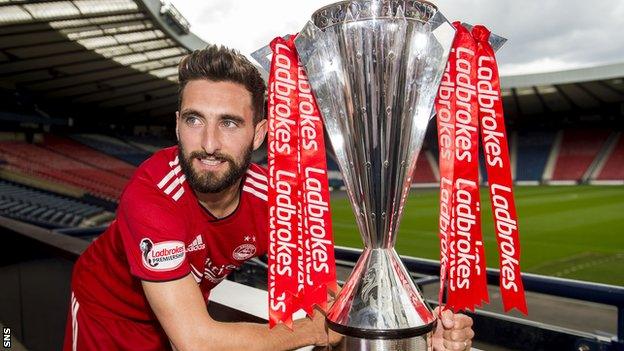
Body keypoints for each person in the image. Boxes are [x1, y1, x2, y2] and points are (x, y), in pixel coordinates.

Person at [63, 45, 475, 351]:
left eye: (229, 123)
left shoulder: (274, 200)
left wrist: (419, 325)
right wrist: (315, 333)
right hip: (107, 314)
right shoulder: (152, 195)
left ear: (259, 134)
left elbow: (328, 297)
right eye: (194, 120)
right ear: (176, 126)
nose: (208, 143)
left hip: (178, 313)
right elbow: (195, 340)